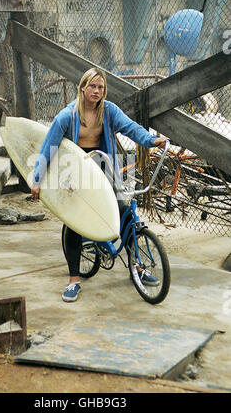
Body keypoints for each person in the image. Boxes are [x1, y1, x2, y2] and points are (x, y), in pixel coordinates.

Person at [31, 67, 166, 303]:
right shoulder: (67, 116)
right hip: (76, 170)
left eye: (101, 87)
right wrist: (36, 179)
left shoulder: (109, 110)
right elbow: (48, 148)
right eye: (92, 86)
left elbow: (131, 127)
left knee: (125, 214)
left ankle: (139, 267)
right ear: (83, 87)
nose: (96, 91)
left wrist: (151, 139)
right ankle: (74, 280)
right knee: (76, 222)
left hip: (104, 167)